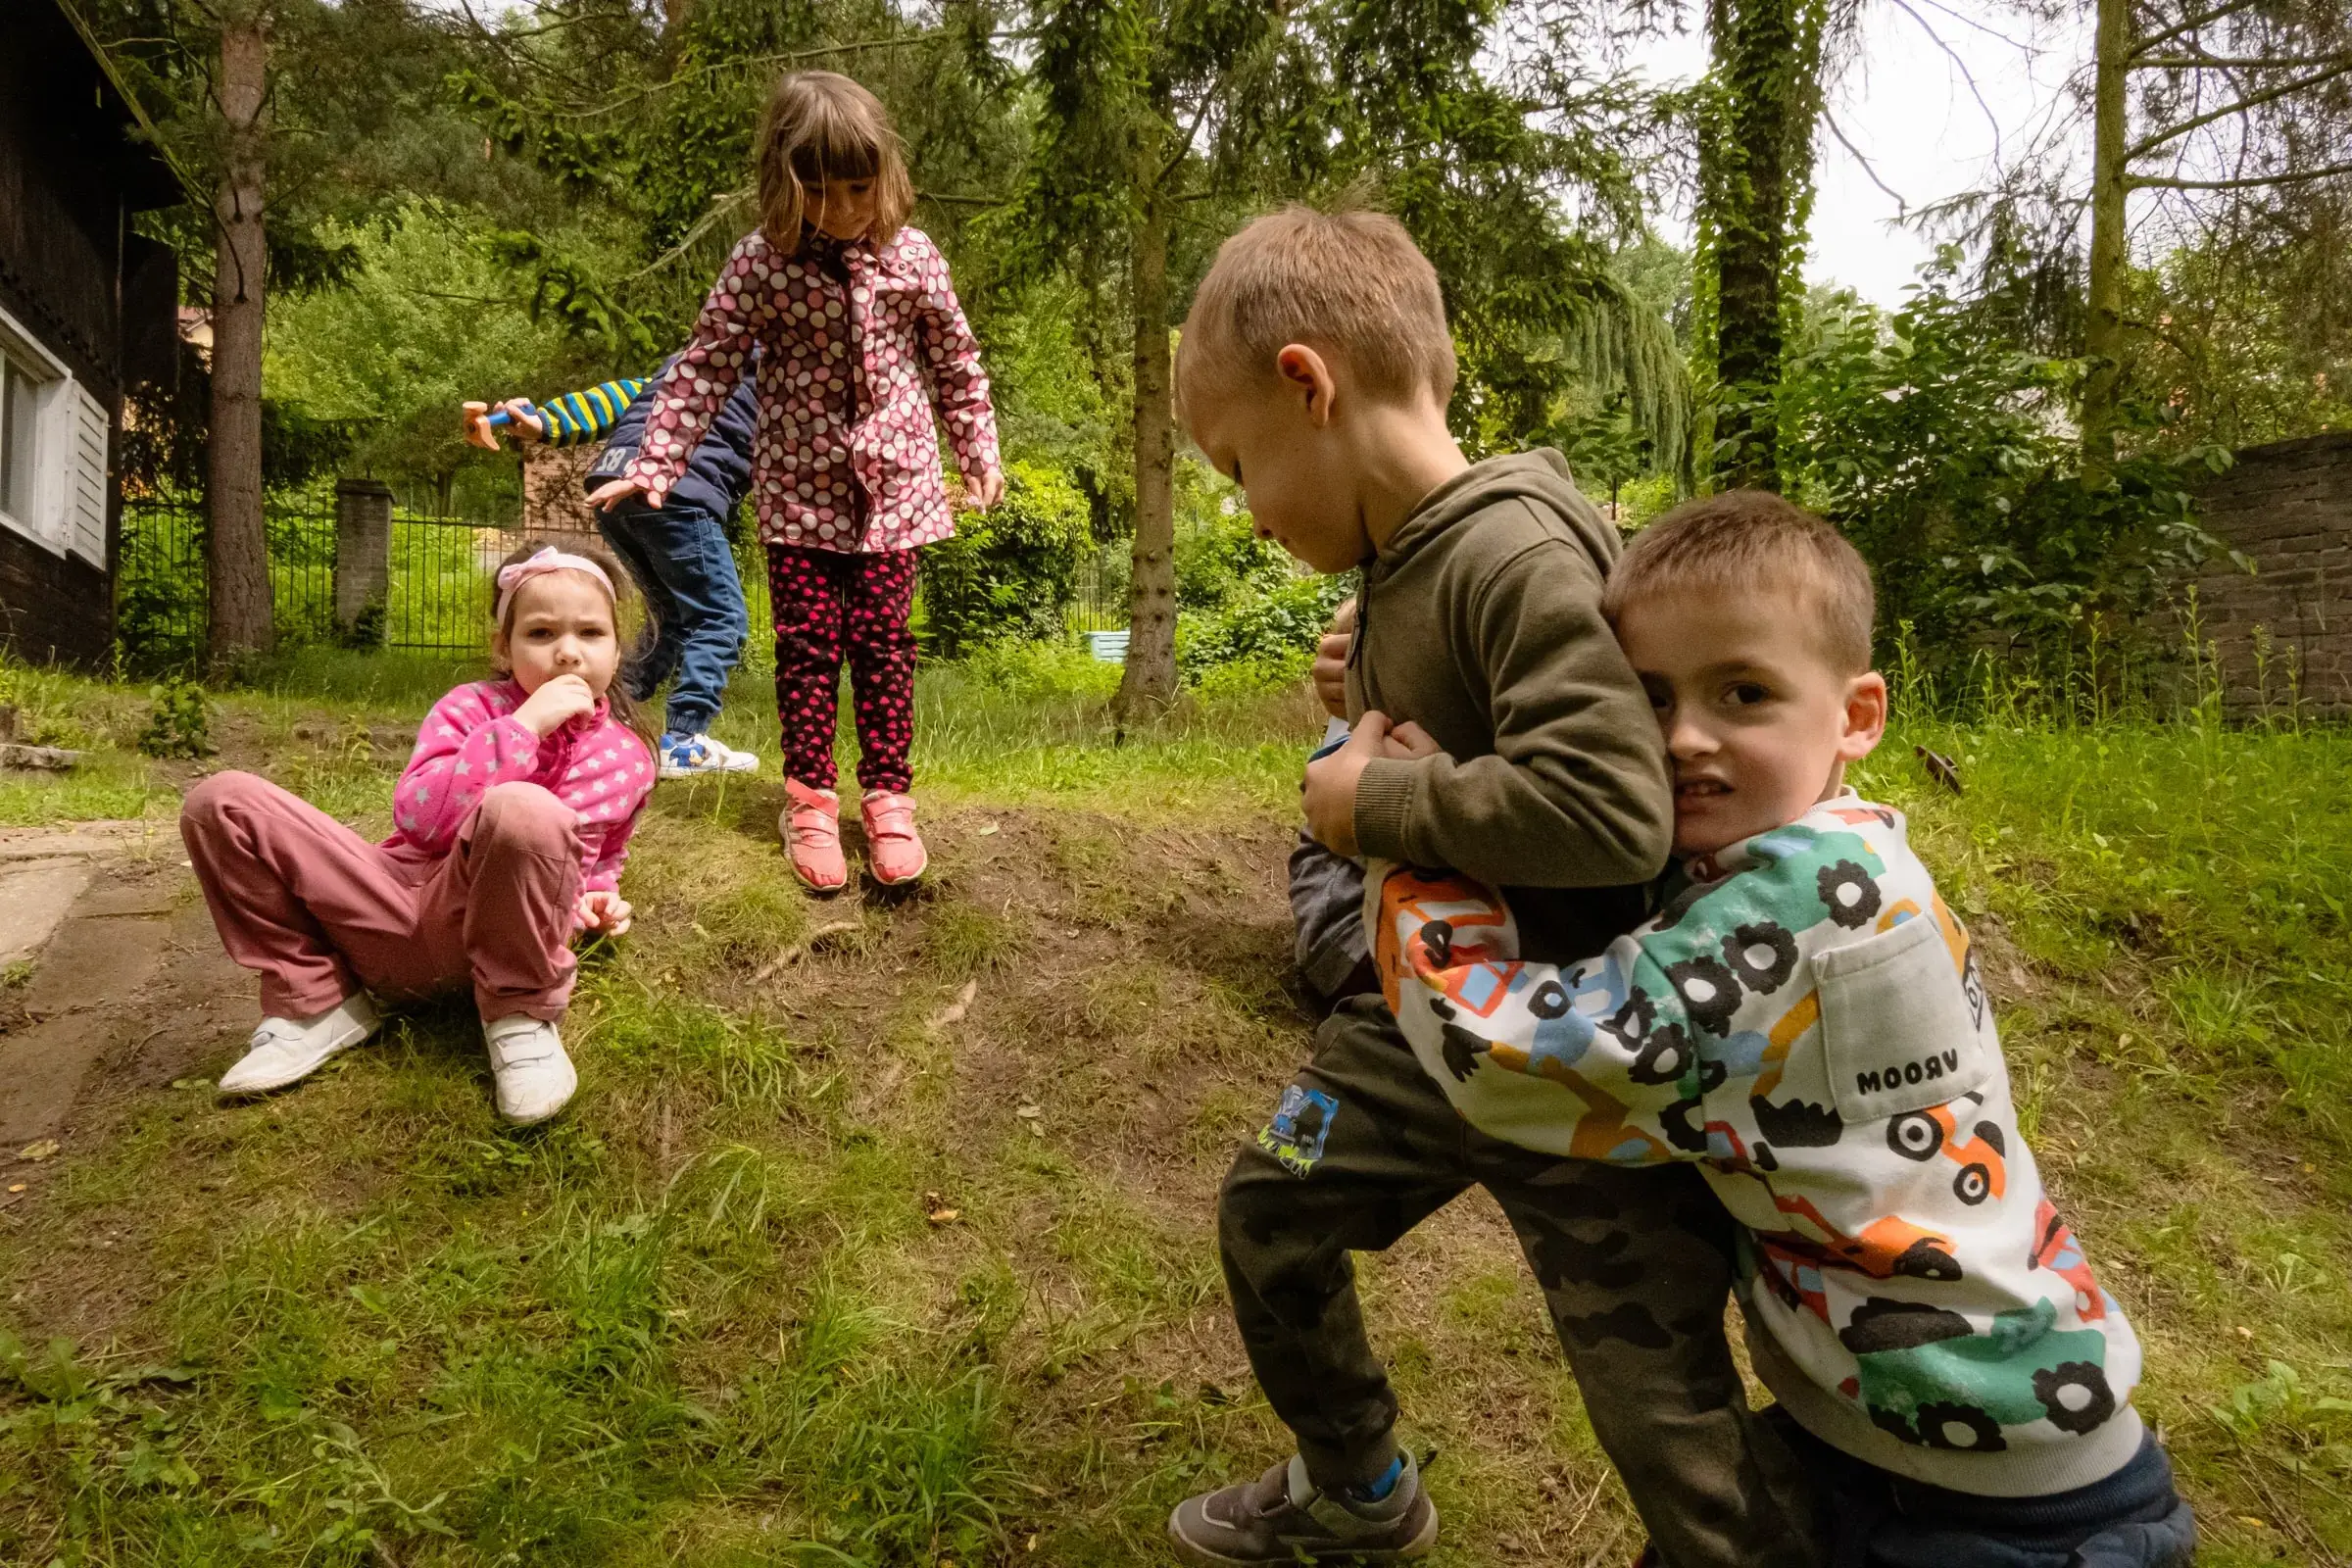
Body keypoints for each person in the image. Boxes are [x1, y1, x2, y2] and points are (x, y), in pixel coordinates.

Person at [1372, 492, 2196, 1568]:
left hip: (1993, 1509)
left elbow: (1514, 1054)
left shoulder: (1799, 909)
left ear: (1857, 714)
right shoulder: (1850, 857)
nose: (1683, 738)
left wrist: (1397, 830)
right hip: (1903, 1440)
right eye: (1649, 697)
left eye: (1744, 693)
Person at [1167, 207, 1815, 1568]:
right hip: (1425, 1032)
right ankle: (1358, 1487)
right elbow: (1490, 729)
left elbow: (1610, 810)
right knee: (1270, 1214)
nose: (1247, 508)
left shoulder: (1513, 550)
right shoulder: (1413, 560)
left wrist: (1369, 799)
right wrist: (1373, 689)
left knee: (1663, 1413)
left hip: (1584, 1068)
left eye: (1238, 468)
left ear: (1308, 383)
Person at [589, 70, 1004, 893]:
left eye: (860, 186)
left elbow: (956, 364)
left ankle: (888, 796)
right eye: (823, 191)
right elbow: (704, 366)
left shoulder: (913, 256)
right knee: (809, 651)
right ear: (786, 182)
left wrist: (978, 453)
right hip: (799, 492)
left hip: (897, 493)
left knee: (886, 648)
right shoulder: (761, 264)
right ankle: (810, 799)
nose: (847, 207)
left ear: (885, 174)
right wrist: (656, 463)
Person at [181, 543, 659, 1127]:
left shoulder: (627, 758)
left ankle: (521, 1016)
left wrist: (596, 895)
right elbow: (423, 822)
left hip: (490, 933)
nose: (567, 653)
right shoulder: (470, 709)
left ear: (617, 648)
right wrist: (522, 729)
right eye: (540, 634)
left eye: (590, 633)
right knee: (221, 802)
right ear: (502, 649)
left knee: (524, 809)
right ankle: (316, 1004)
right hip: (388, 905)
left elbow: (600, 852)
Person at [462, 360, 762, 781]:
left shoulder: (693, 359)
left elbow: (611, 399)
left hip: (615, 492)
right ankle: (683, 740)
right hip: (676, 495)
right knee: (720, 616)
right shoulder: (782, 371)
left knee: (671, 619)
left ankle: (608, 718)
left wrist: (542, 421)